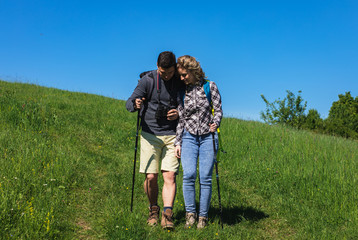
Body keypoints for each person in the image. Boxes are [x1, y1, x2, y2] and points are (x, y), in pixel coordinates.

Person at [126, 51, 184, 230]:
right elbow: (129, 103)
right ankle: (153, 209)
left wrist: (179, 114)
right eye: (162, 72)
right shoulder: (148, 80)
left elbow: (188, 106)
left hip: (172, 135)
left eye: (169, 72)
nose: (166, 76)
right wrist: (135, 104)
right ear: (157, 67)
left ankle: (167, 214)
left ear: (175, 67)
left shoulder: (179, 81)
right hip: (149, 134)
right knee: (151, 177)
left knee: (170, 175)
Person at [174, 55, 223, 229]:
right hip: (188, 137)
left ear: (193, 71)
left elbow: (218, 111)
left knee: (205, 178)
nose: (182, 78)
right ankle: (190, 215)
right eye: (181, 75)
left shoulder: (210, 87)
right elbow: (180, 119)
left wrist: (215, 124)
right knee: (188, 176)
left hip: (207, 137)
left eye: (184, 75)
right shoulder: (182, 91)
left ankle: (203, 217)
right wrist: (177, 142)